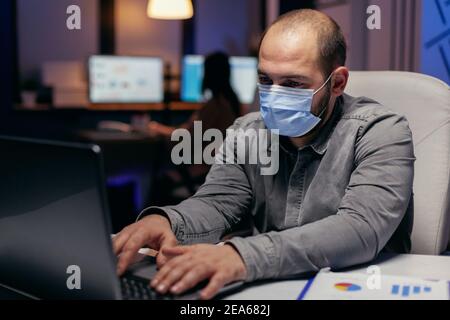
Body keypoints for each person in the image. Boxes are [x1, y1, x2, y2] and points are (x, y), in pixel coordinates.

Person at [114, 9, 415, 300]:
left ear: (337, 83)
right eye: (265, 81)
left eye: (293, 84)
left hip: (360, 288)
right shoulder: (247, 131)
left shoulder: (382, 131)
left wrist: (241, 257)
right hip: (271, 288)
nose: (273, 96)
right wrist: (169, 221)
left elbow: (360, 228)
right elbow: (217, 203)